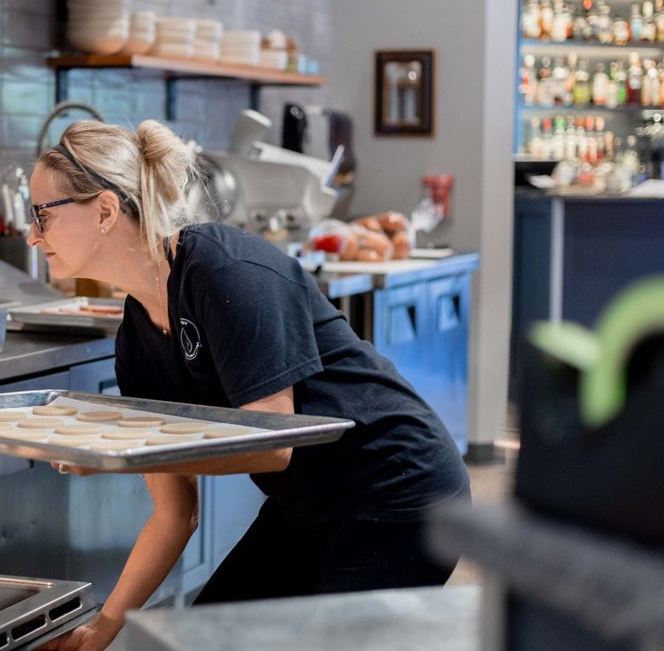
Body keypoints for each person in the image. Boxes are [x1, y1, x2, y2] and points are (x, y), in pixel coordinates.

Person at [28, 119, 470, 651]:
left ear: (103, 211)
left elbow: (275, 443)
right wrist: (103, 627)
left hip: (401, 491)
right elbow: (174, 516)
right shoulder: (136, 340)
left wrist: (118, 451)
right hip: (307, 508)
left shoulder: (224, 270)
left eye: (42, 214)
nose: (32, 235)